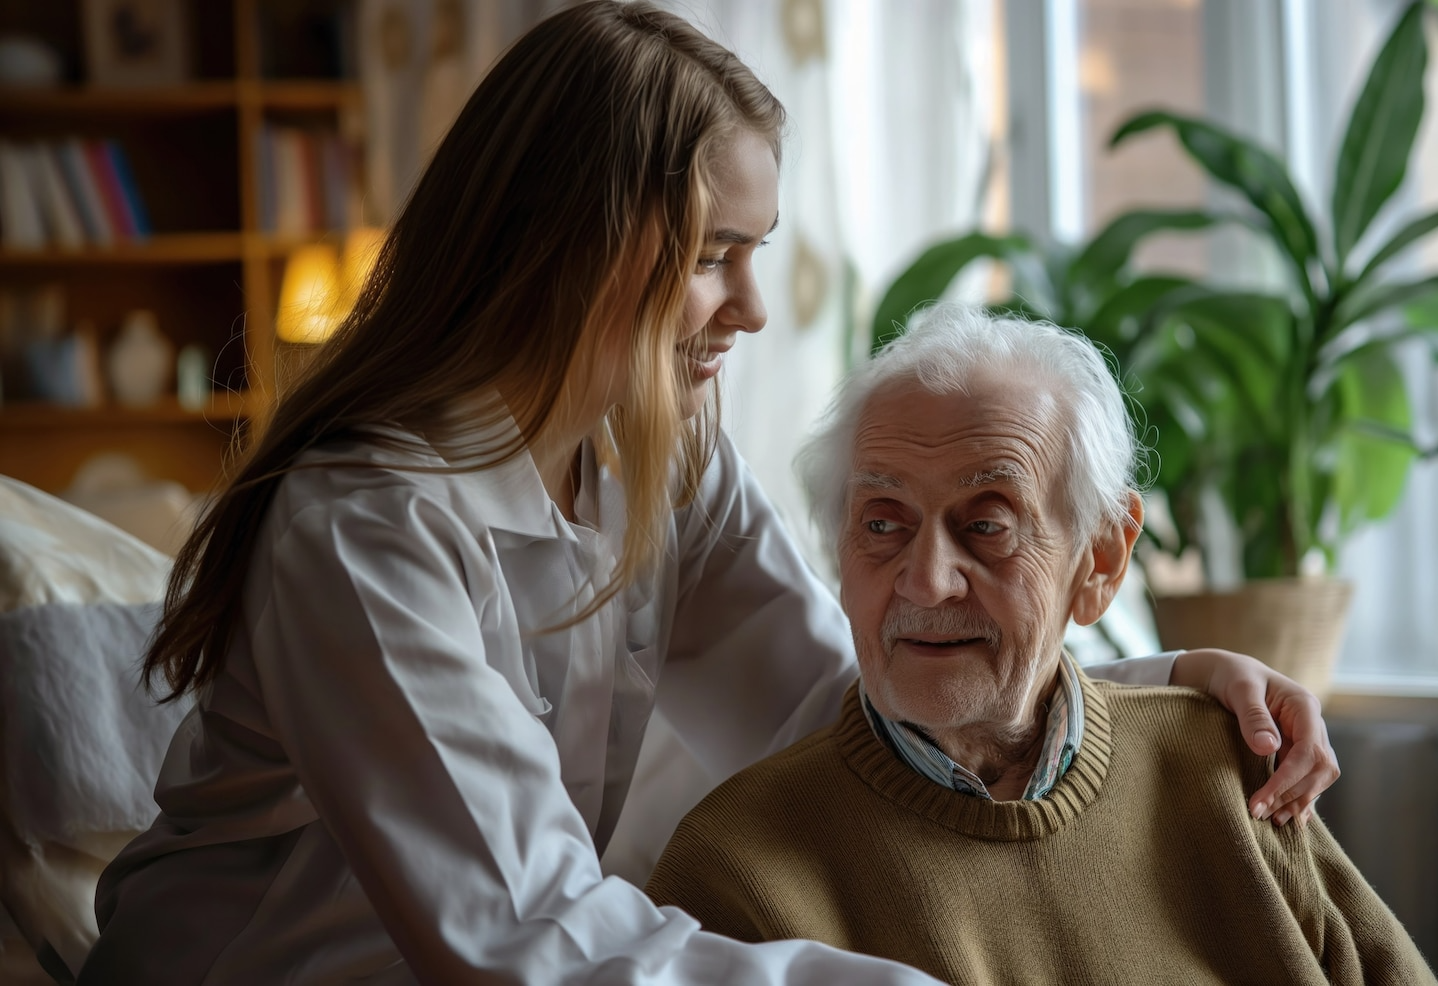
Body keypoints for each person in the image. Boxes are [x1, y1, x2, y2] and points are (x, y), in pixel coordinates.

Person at [78, 4, 1338, 984]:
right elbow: (522, 939)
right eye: (711, 256)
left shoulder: (659, 457)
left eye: (757, 253)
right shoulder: (363, 527)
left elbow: (849, 713)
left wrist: (1154, 689)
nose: (750, 308)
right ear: (567, 243)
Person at [645, 303, 1434, 985]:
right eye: (882, 524)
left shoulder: (1229, 772)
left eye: (987, 525)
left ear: (1101, 560)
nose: (927, 581)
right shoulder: (735, 872)